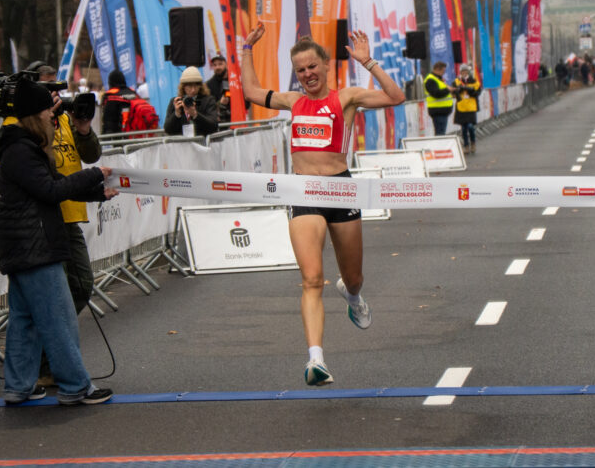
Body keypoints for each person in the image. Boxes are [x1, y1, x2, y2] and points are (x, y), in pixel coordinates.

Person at [240, 24, 404, 386]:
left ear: (326, 65)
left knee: (354, 277)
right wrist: (246, 50)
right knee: (312, 279)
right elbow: (251, 91)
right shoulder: (293, 102)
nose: (307, 75)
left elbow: (396, 97)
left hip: (341, 191)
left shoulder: (346, 98)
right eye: (300, 70)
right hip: (304, 192)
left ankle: (353, 295)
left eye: (312, 67)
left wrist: (369, 62)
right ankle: (316, 360)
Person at [0, 78, 117, 405]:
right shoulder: (22, 150)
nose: (54, 115)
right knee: (58, 317)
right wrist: (94, 175)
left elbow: (53, 183)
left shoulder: (21, 147)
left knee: (25, 319)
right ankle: (76, 386)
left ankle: (18, 386)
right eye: (48, 110)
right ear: (34, 114)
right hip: (35, 246)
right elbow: (51, 191)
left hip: (23, 245)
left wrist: (96, 192)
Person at [26, 62, 103, 386]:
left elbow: (92, 155)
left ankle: (46, 356)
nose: (54, 95)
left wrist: (83, 127)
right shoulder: (28, 122)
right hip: (42, 219)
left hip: (69, 214)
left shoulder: (64, 118)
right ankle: (46, 364)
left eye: (56, 89)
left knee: (82, 285)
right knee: (47, 297)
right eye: (46, 89)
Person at [163, 67, 219, 137]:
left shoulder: (208, 101)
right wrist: (176, 114)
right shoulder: (176, 102)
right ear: (183, 86)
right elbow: (167, 129)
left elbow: (213, 126)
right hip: (182, 144)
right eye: (189, 86)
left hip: (202, 144)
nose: (193, 90)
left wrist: (196, 115)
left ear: (200, 86)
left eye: (196, 86)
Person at [452, 64, 481, 154]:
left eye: (465, 71)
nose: (464, 73)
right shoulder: (456, 81)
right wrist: (459, 89)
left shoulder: (474, 81)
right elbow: (454, 93)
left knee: (470, 127)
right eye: (462, 71)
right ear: (460, 72)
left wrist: (469, 89)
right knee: (464, 128)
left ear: (468, 72)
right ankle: (466, 145)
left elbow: (477, 93)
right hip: (461, 107)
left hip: (471, 107)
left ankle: (473, 143)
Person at [100, 69, 139, 135]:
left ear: (110, 82)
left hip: (118, 136)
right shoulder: (133, 93)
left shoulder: (110, 96)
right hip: (136, 134)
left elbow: (108, 121)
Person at [424, 61, 454, 135]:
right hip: (438, 110)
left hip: (441, 110)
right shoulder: (431, 80)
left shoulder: (437, 79)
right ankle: (439, 146)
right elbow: (436, 93)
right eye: (443, 71)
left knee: (441, 133)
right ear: (437, 69)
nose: (444, 73)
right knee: (440, 133)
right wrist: (448, 90)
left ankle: (440, 146)